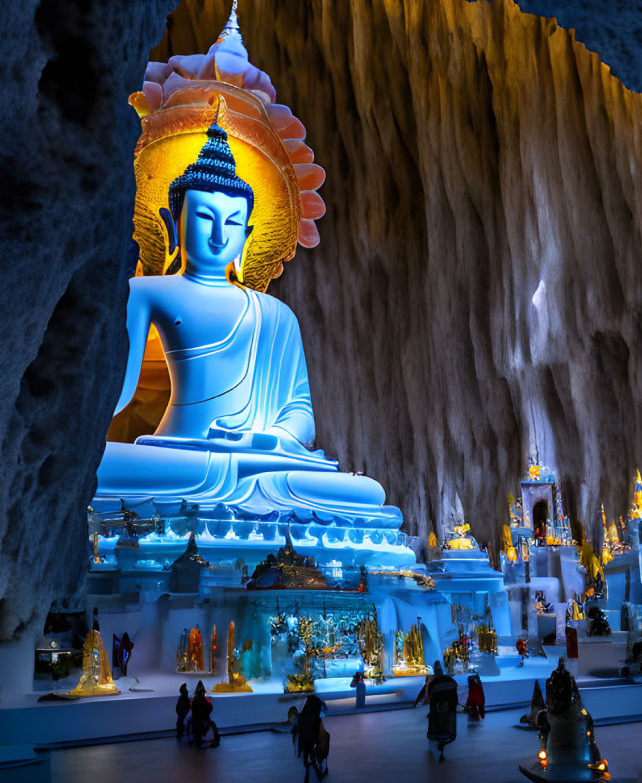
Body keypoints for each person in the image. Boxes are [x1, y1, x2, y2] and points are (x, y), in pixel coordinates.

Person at [91, 112, 407, 545]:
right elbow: (118, 392)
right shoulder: (147, 293)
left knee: (364, 491)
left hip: (263, 465)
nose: (220, 234)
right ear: (173, 223)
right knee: (101, 463)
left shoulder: (276, 315)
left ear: (249, 233)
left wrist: (264, 439)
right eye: (204, 218)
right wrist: (77, 434)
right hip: (183, 458)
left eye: (233, 223)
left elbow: (301, 418)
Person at [425, 661, 458, 761]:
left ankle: (438, 751)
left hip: (437, 716)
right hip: (448, 719)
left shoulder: (434, 684)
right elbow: (454, 699)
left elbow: (431, 698)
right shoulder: (449, 681)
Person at [297, 694, 329, 781]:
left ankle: (313, 765)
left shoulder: (301, 718)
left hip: (306, 745)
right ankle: (320, 769)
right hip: (313, 744)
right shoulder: (316, 720)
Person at [190, 680, 220, 748]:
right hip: (204, 719)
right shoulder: (205, 700)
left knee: (197, 728)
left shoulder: (195, 700)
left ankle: (197, 740)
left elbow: (193, 709)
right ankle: (215, 742)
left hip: (196, 719)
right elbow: (209, 709)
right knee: (213, 726)